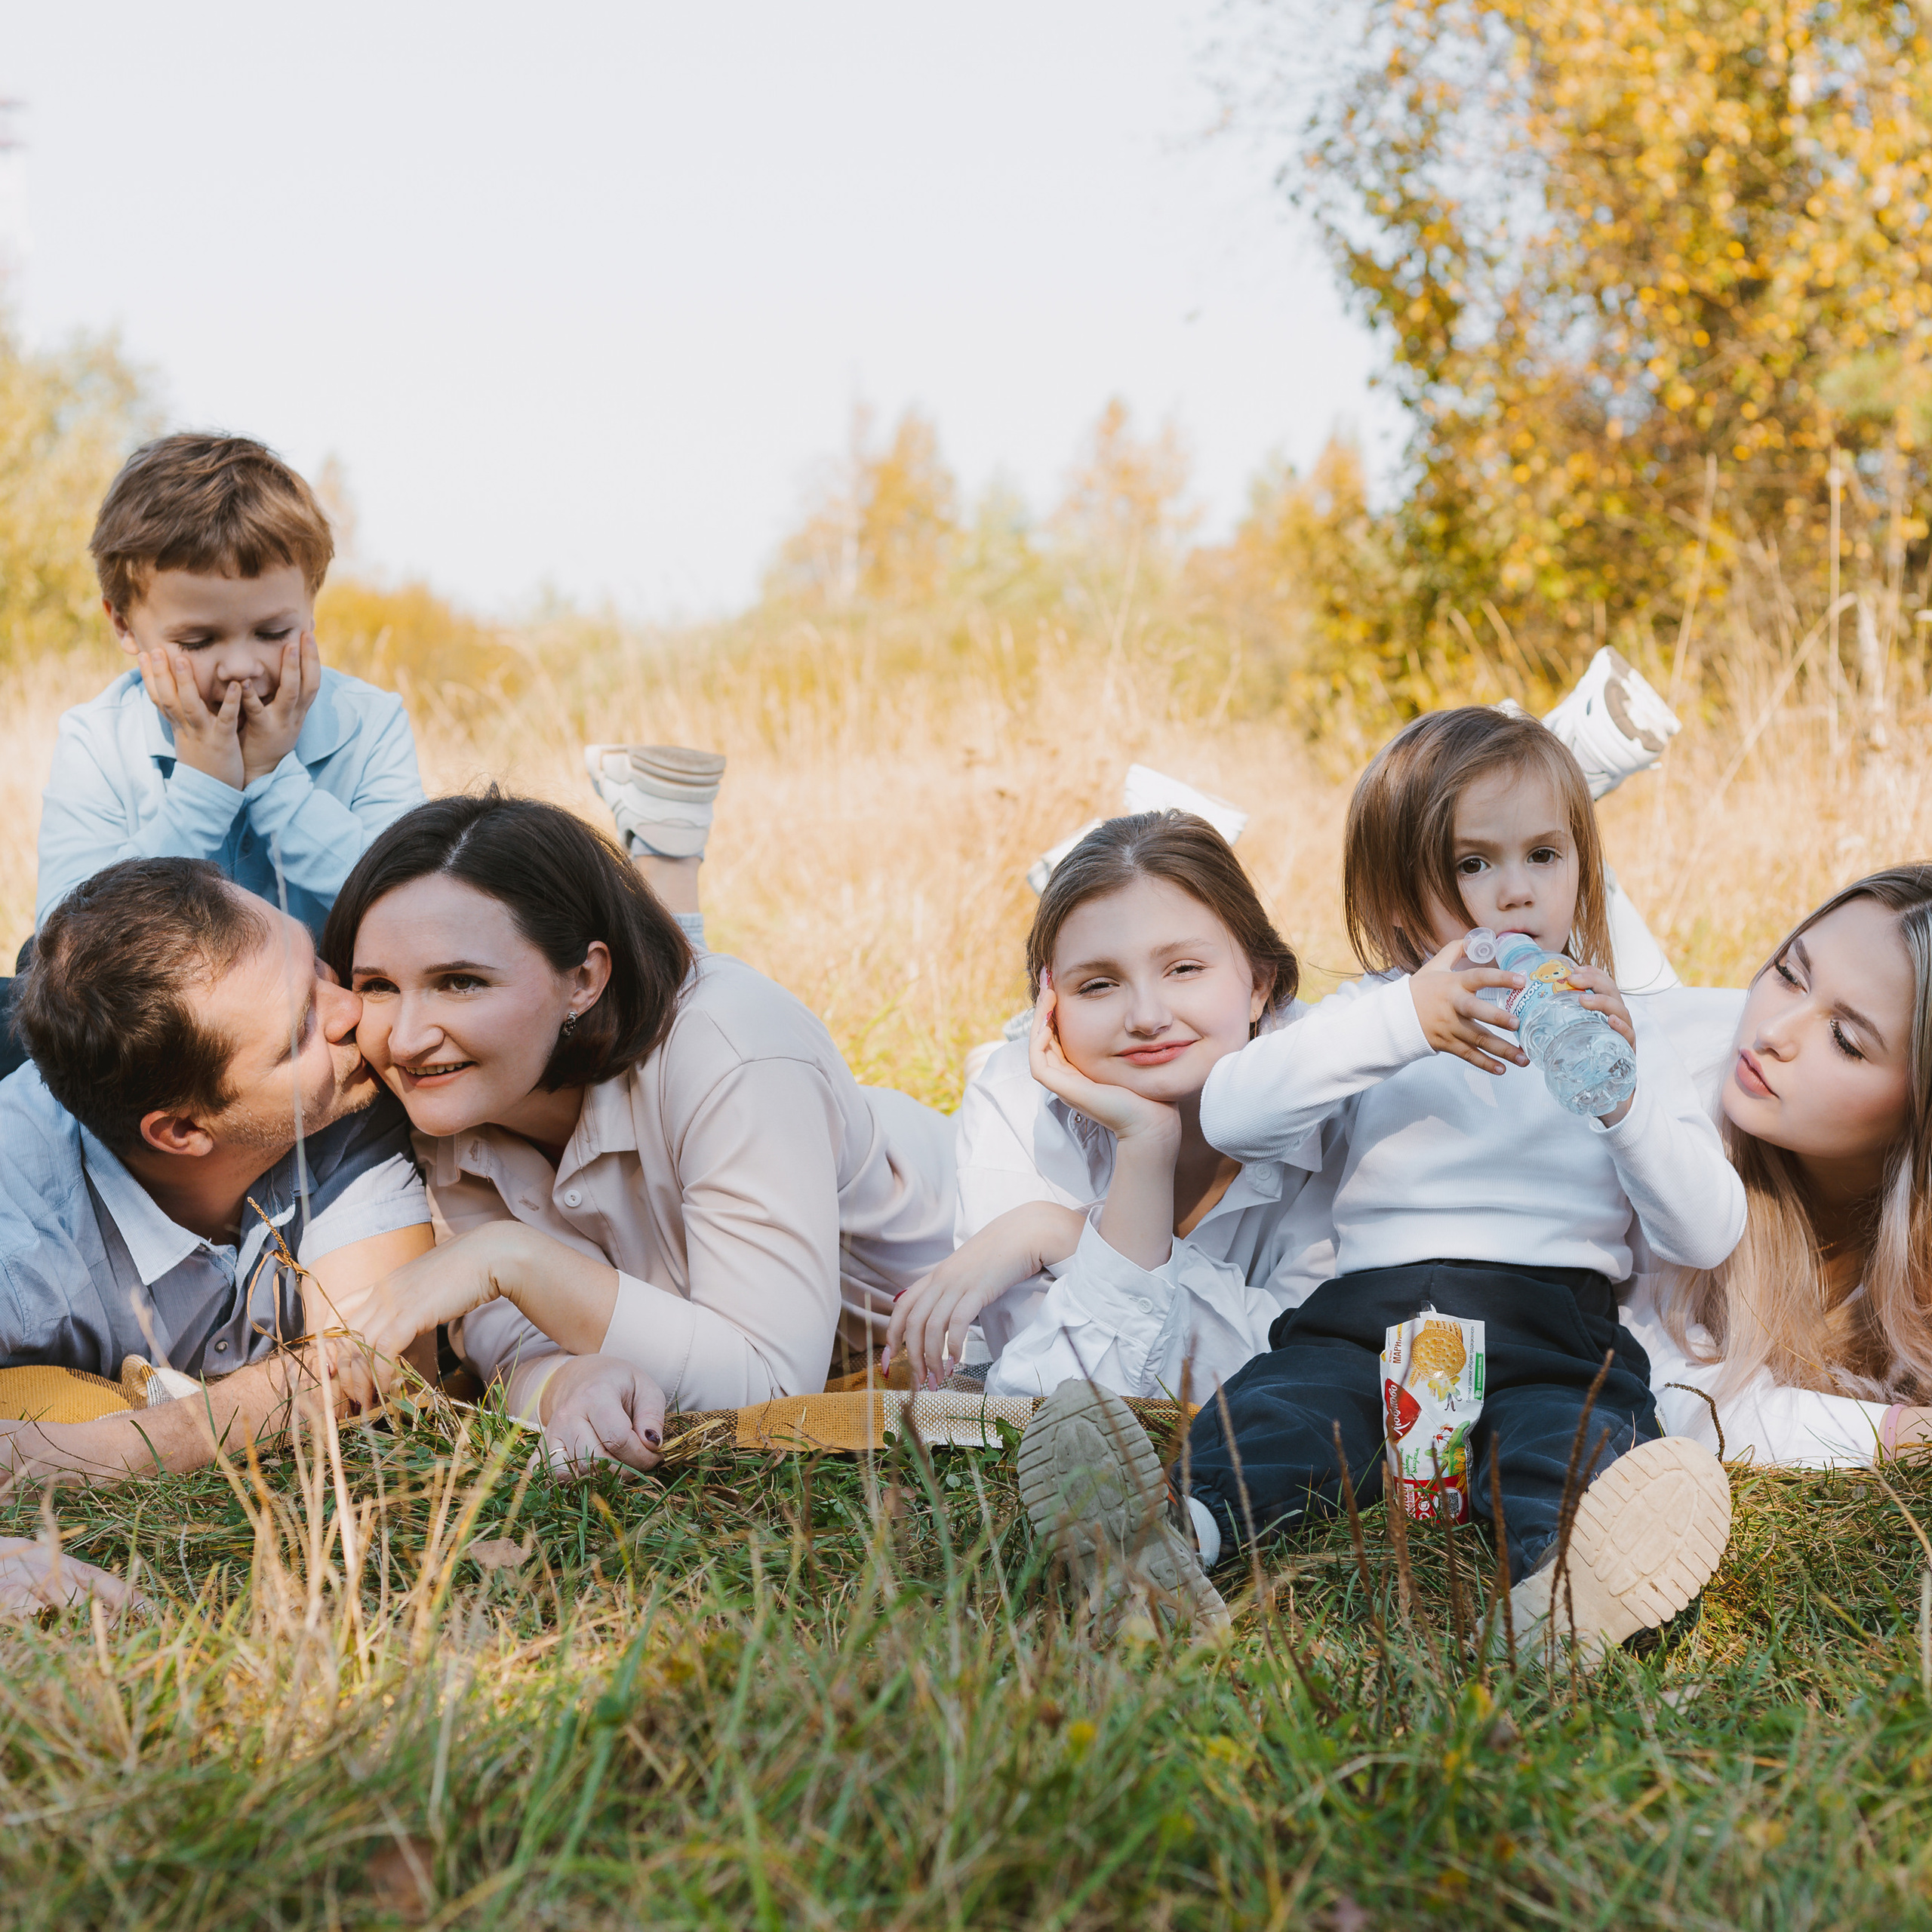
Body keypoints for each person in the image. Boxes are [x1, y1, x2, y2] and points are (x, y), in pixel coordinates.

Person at [1019, 705, 1745, 1653]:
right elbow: (1237, 1106)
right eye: (1472, 865)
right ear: (1401, 902)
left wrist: (1623, 1100)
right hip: (1364, 1320)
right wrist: (1406, 1020)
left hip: (1552, 1324)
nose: (1514, 893)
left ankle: (1566, 1594)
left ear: (1583, 870)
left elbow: (1706, 1233)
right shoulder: (1372, 1016)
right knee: (1282, 1417)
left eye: (1544, 856)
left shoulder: (1618, 1033)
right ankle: (1168, 1540)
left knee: (1565, 1442)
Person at [0, 857, 664, 1479]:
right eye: (301, 1031)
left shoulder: (345, 1097)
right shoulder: (19, 1234)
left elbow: (385, 1375)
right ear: (183, 1131)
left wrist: (111, 1449)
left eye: (317, 964)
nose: (354, 1011)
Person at [319, 791, 957, 1417]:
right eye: (377, 986)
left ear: (586, 979)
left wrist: (507, 1257)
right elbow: (509, 1341)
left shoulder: (734, 1047)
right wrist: (565, 1386)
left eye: (460, 982)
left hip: (977, 1326)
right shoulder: (448, 1096)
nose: (405, 1039)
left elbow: (773, 1389)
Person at [882, 811, 1340, 1402]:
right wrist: (1144, 1148)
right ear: (1051, 1007)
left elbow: (1308, 1373)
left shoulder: (1336, 1100)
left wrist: (1063, 1235)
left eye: (1184, 969)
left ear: (1258, 984)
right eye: (1098, 984)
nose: (1146, 1017)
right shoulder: (1013, 1097)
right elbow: (1048, 1392)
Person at [32, 433, 425, 945]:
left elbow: (416, 915)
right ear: (124, 624)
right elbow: (62, 946)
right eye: (197, 641)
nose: (240, 667)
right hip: (171, 1025)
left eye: (273, 633)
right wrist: (201, 793)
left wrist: (277, 783)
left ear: (311, 606)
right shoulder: (98, 740)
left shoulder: (369, 725)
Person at [1624, 865, 1932, 1464]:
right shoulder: (1663, 1136)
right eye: (1789, 974)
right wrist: (1902, 1434)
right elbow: (1677, 1396)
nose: (1771, 1031)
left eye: (1844, 1038)